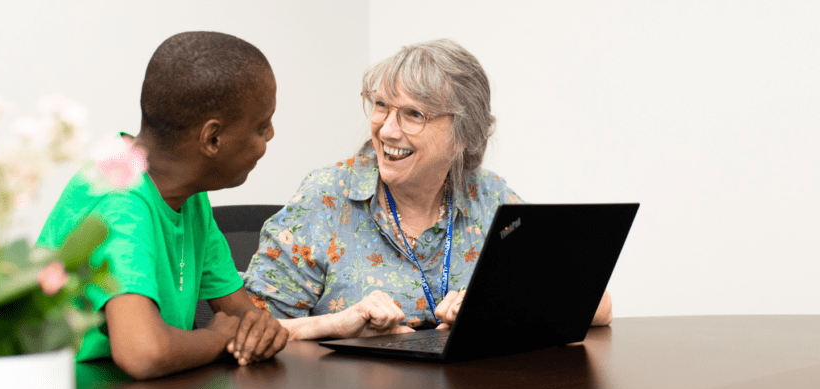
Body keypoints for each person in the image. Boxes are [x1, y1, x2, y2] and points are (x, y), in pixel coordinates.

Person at [243, 39, 612, 340]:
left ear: (463, 136)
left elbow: (598, 305)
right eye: (382, 106)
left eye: (413, 114)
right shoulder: (326, 197)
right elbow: (248, 331)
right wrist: (339, 326)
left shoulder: (490, 197)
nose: (387, 130)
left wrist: (491, 307)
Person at [36, 31, 287, 380]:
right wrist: (214, 338)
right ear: (212, 138)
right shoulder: (118, 200)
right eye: (262, 125)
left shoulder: (187, 192)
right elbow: (143, 353)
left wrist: (260, 330)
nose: (271, 134)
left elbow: (241, 314)